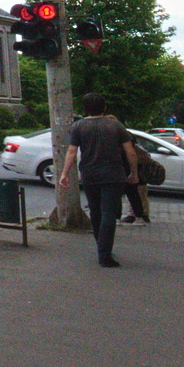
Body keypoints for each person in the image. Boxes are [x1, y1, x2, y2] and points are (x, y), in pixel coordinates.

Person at [58, 92, 139, 267]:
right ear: (104, 107)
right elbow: (130, 151)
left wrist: (64, 173)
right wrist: (133, 173)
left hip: (89, 175)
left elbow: (72, 151)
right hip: (113, 175)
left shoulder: (78, 127)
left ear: (85, 108)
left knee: (95, 211)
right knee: (109, 212)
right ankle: (105, 253)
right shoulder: (116, 125)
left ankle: (101, 245)